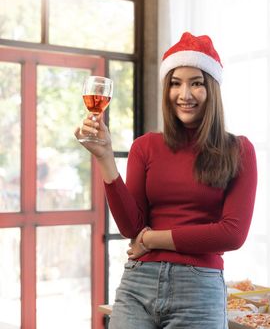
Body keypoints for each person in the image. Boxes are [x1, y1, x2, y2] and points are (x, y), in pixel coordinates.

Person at [75, 32, 258, 328]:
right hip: (138, 283)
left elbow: (232, 234)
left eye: (196, 83)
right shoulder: (145, 146)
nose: (184, 94)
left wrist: (151, 238)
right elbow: (130, 227)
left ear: (212, 88)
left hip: (199, 289)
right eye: (175, 83)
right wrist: (105, 157)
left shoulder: (238, 150)